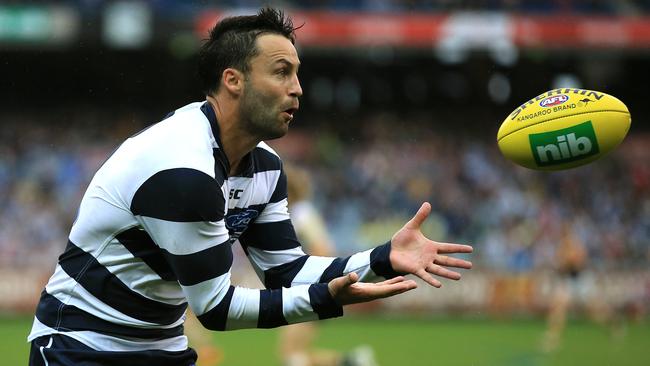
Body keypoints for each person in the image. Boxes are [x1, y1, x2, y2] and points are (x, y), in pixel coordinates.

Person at [27, 8, 473, 366]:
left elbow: (286, 272)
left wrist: (383, 258)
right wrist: (322, 300)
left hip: (161, 349)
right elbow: (217, 309)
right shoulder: (182, 168)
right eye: (281, 72)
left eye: (297, 74)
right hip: (80, 347)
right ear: (233, 80)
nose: (297, 89)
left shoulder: (265, 168)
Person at [280, 163, 377, 366]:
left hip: (311, 291)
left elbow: (323, 249)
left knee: (292, 355)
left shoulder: (300, 214)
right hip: (311, 290)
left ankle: (354, 362)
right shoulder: (300, 212)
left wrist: (309, 284)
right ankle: (352, 361)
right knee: (293, 353)